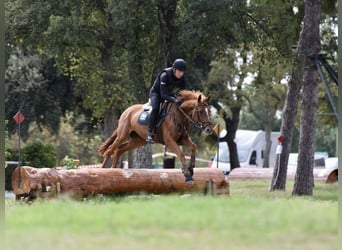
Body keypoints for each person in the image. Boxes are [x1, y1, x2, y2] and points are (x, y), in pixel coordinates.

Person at [146, 58, 187, 143]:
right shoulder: (164, 75)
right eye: (180, 71)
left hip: (169, 94)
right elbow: (163, 95)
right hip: (156, 94)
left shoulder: (181, 78)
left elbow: (183, 92)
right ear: (174, 69)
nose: (181, 74)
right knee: (156, 108)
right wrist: (174, 100)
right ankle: (150, 133)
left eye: (183, 72)